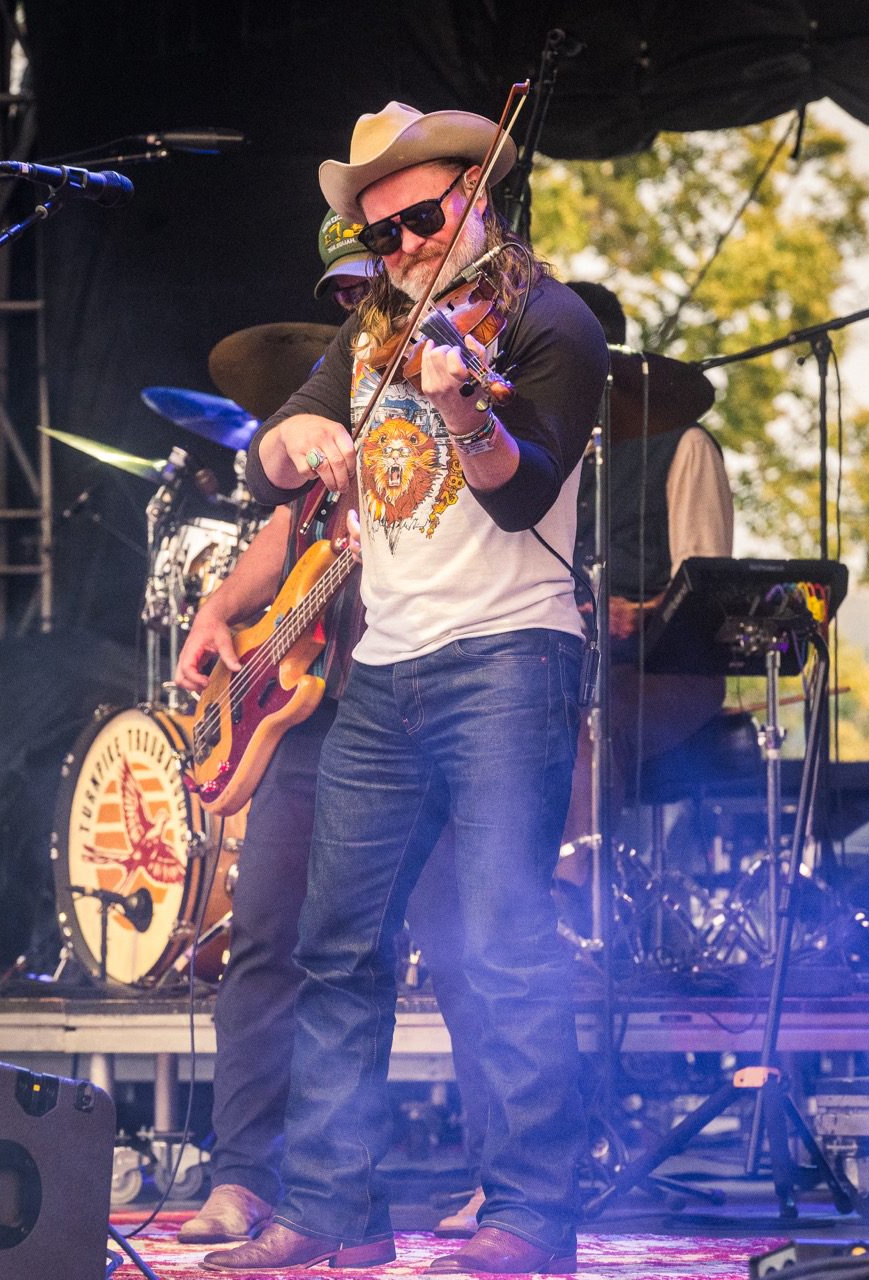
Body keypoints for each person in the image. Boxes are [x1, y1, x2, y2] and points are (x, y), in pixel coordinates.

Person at [201, 102, 608, 1274]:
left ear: (477, 194)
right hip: (382, 667)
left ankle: (529, 1209)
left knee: (494, 937)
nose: (406, 249)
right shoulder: (373, 329)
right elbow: (265, 450)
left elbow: (519, 492)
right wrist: (298, 447)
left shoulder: (550, 323)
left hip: (508, 657)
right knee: (338, 946)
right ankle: (330, 1204)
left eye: (422, 219)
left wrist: (460, 407)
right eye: (383, 235)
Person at [176, 211, 487, 1247]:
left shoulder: (450, 378)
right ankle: (245, 1176)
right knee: (267, 932)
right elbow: (281, 536)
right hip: (318, 717)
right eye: (347, 293)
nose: (363, 303)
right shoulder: (337, 406)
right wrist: (221, 609)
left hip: (429, 708)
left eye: (374, 283)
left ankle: (502, 1179)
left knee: (463, 943)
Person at [561, 281, 734, 849]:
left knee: (583, 715)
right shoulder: (543, 457)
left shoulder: (684, 447)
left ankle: (577, 898)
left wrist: (639, 612)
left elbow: (706, 596)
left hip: (664, 676)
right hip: (564, 663)